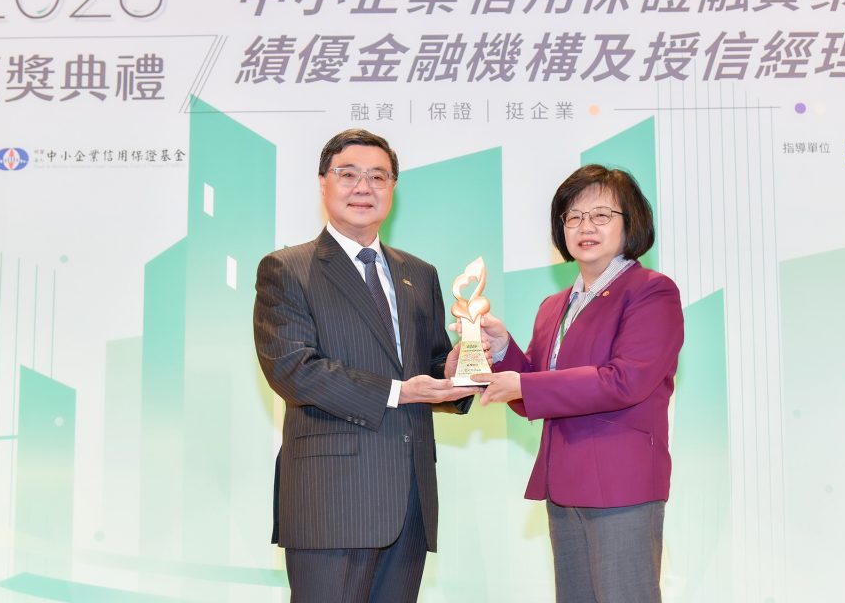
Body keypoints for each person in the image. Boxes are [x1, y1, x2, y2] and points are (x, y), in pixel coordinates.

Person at [253, 129, 480, 603]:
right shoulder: (287, 269)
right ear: (323, 183)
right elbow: (293, 369)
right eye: (349, 174)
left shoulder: (419, 273)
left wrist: (461, 367)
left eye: (378, 176)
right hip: (331, 500)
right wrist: (399, 391)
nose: (364, 187)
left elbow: (430, 366)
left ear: (393, 188)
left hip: (410, 501)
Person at [472, 164, 684, 603]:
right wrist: (502, 349)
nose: (585, 227)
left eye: (601, 215)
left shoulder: (651, 291)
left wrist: (526, 386)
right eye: (573, 217)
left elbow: (625, 381)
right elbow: (535, 393)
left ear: (631, 223)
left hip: (622, 483)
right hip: (564, 483)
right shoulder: (555, 305)